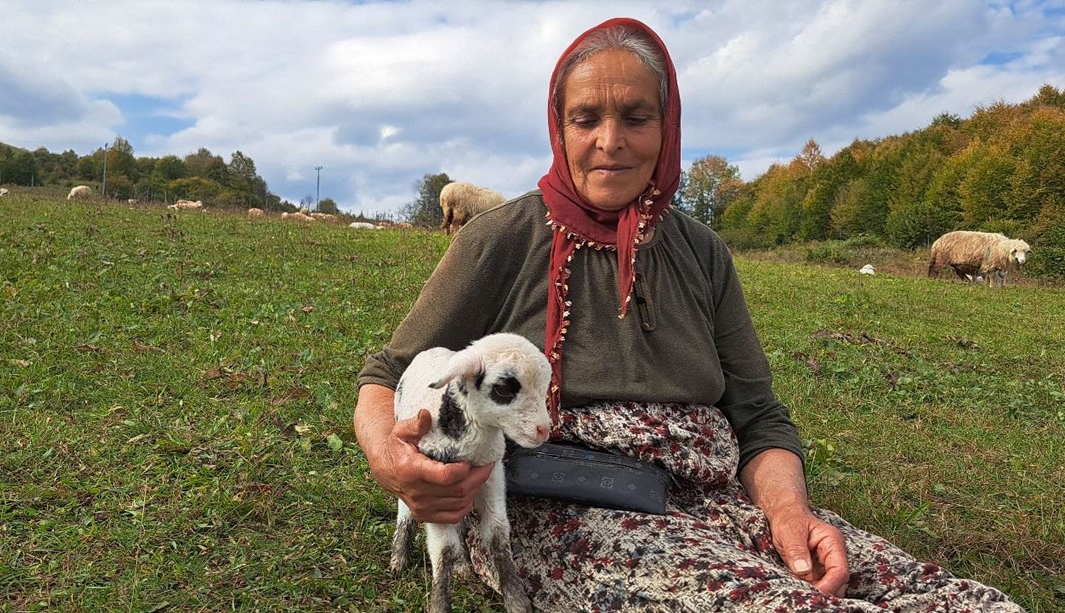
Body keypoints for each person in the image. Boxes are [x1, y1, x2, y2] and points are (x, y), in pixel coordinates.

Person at [355, 17, 1023, 612]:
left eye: (637, 117)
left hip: (717, 498)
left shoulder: (701, 251)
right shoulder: (500, 237)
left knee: (965, 599)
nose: (610, 140)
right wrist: (395, 461)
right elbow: (387, 373)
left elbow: (758, 416)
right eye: (586, 118)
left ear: (666, 127)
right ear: (559, 129)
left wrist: (790, 513)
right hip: (567, 508)